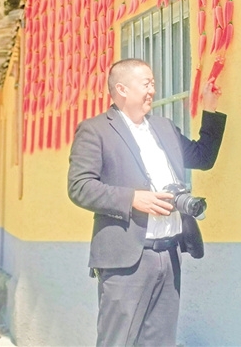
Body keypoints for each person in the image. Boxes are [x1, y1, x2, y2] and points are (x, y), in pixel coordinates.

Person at [67, 58, 226, 347]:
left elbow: (203, 157)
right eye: (146, 83)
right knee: (117, 341)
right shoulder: (95, 130)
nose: (152, 90)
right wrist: (132, 199)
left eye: (153, 83)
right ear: (122, 89)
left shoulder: (163, 127)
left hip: (169, 254)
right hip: (126, 260)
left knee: (160, 342)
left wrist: (210, 108)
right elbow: (80, 186)